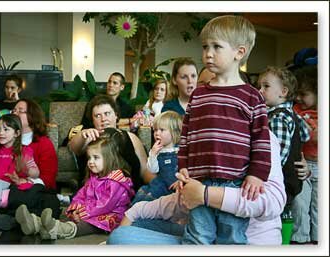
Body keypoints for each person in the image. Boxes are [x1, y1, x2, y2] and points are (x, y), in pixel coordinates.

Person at [176, 15, 271, 245]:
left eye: (216, 46)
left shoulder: (251, 96)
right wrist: (183, 169)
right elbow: (186, 136)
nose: (208, 53)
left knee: (233, 240)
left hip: (235, 184)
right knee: (198, 238)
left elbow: (261, 140)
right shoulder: (198, 94)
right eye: (205, 47)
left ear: (239, 52)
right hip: (198, 181)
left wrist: (257, 174)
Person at [107, 131, 288, 245]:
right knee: (127, 230)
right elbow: (183, 200)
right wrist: (137, 210)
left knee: (121, 238)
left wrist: (205, 194)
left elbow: (272, 202)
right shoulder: (199, 139)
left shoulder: (260, 137)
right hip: (199, 232)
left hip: (246, 241)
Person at [0, 98, 59, 230]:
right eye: (14, 110)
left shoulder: (44, 143)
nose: (15, 112)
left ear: (32, 116)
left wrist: (22, 181)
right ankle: (10, 220)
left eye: (20, 111)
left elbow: (48, 178)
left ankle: (1, 219)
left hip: (22, 190)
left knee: (48, 201)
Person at [14, 134, 135, 240]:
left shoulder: (116, 181)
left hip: (110, 216)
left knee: (87, 225)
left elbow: (104, 205)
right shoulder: (94, 178)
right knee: (68, 219)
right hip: (90, 212)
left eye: (96, 158)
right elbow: (81, 196)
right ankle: (36, 224)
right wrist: (75, 210)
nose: (90, 162)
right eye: (89, 158)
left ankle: (59, 230)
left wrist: (83, 213)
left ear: (109, 159)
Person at [68, 94, 153, 192]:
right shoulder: (89, 138)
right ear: (92, 120)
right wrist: (82, 134)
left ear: (116, 115)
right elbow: (74, 147)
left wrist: (161, 184)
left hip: (130, 194)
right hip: (97, 198)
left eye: (107, 113)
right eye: (97, 116)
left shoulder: (131, 137)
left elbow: (144, 170)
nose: (103, 119)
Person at [258, 66, 310, 206]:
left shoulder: (277, 118)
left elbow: (278, 156)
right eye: (260, 86)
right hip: (293, 181)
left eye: (266, 86)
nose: (260, 90)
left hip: (281, 182)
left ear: (283, 91)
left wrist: (261, 175)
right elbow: (305, 135)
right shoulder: (291, 113)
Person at [290, 64, 318, 244]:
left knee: (318, 207)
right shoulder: (296, 110)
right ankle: (300, 240)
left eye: (304, 94)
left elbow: (315, 138)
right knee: (300, 203)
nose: (298, 98)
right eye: (297, 94)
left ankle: (318, 241)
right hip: (302, 163)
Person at [131, 111, 182, 204]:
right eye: (155, 130)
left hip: (176, 186)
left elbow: (185, 169)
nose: (157, 133)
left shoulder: (180, 151)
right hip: (160, 185)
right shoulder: (156, 151)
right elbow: (153, 170)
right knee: (145, 200)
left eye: (162, 130)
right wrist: (153, 155)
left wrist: (181, 180)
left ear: (174, 132)